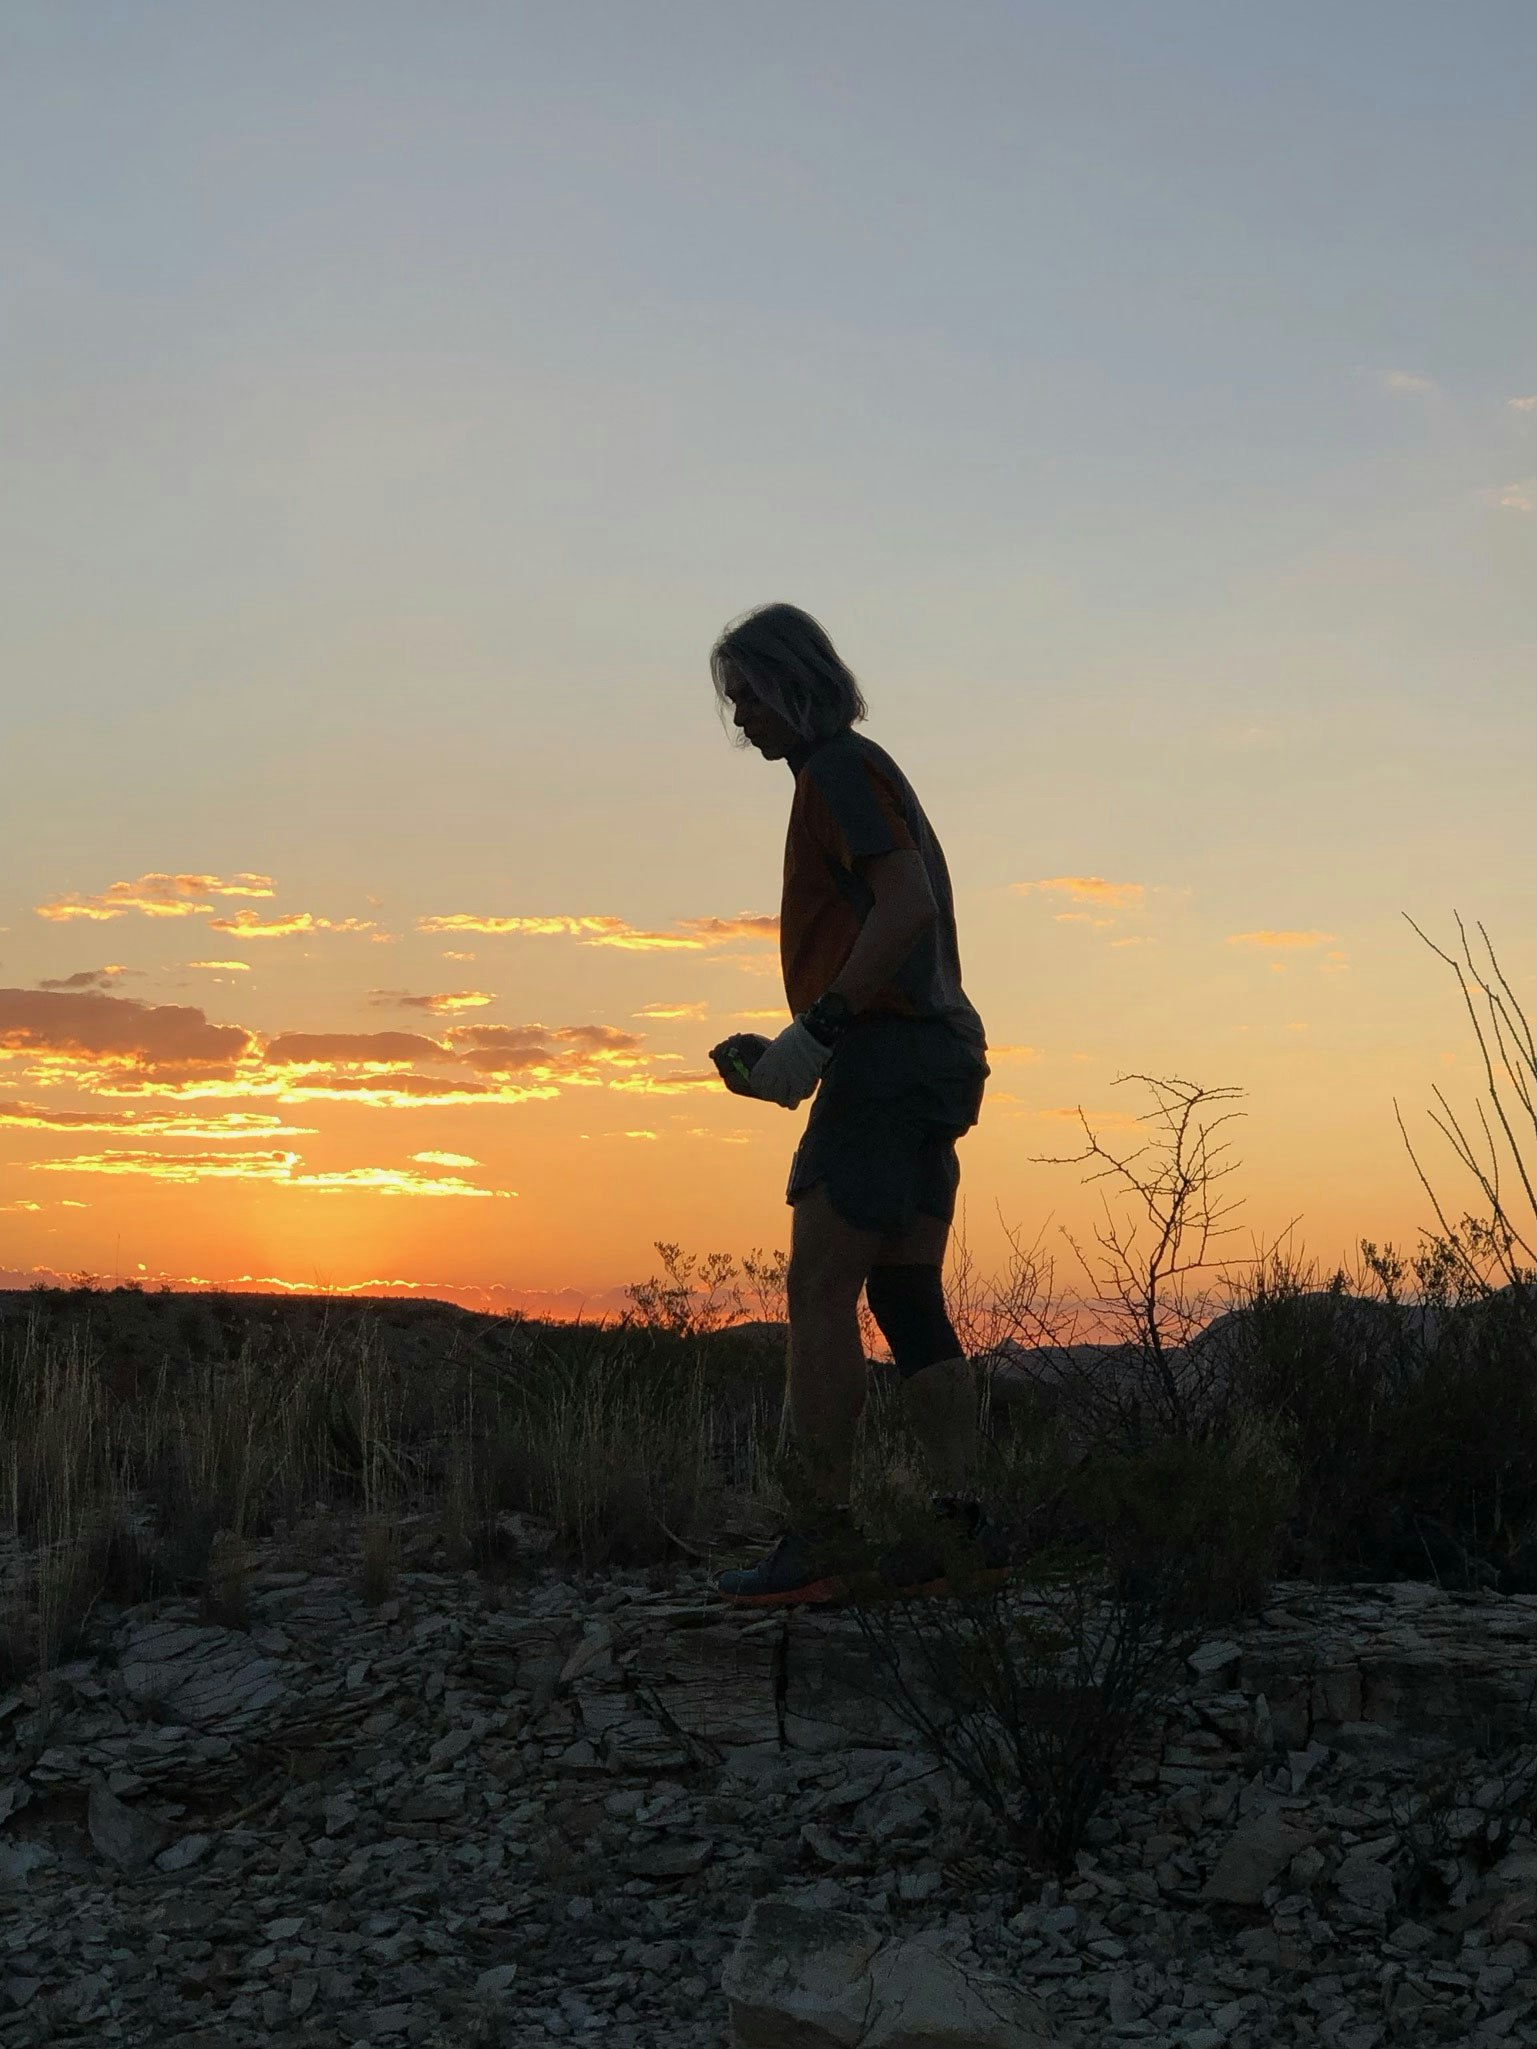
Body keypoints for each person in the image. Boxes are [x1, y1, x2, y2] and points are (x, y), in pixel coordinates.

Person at [705, 601, 1002, 1606]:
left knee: (817, 1290)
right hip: (938, 1056)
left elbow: (904, 900)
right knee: (904, 1293)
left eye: (746, 694)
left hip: (885, 1055)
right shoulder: (857, 771)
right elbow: (896, 916)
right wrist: (798, 1043)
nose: (737, 717)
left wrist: (820, 1031)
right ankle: (957, 1531)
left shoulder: (836, 770)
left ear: (795, 683)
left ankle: (817, 1536)